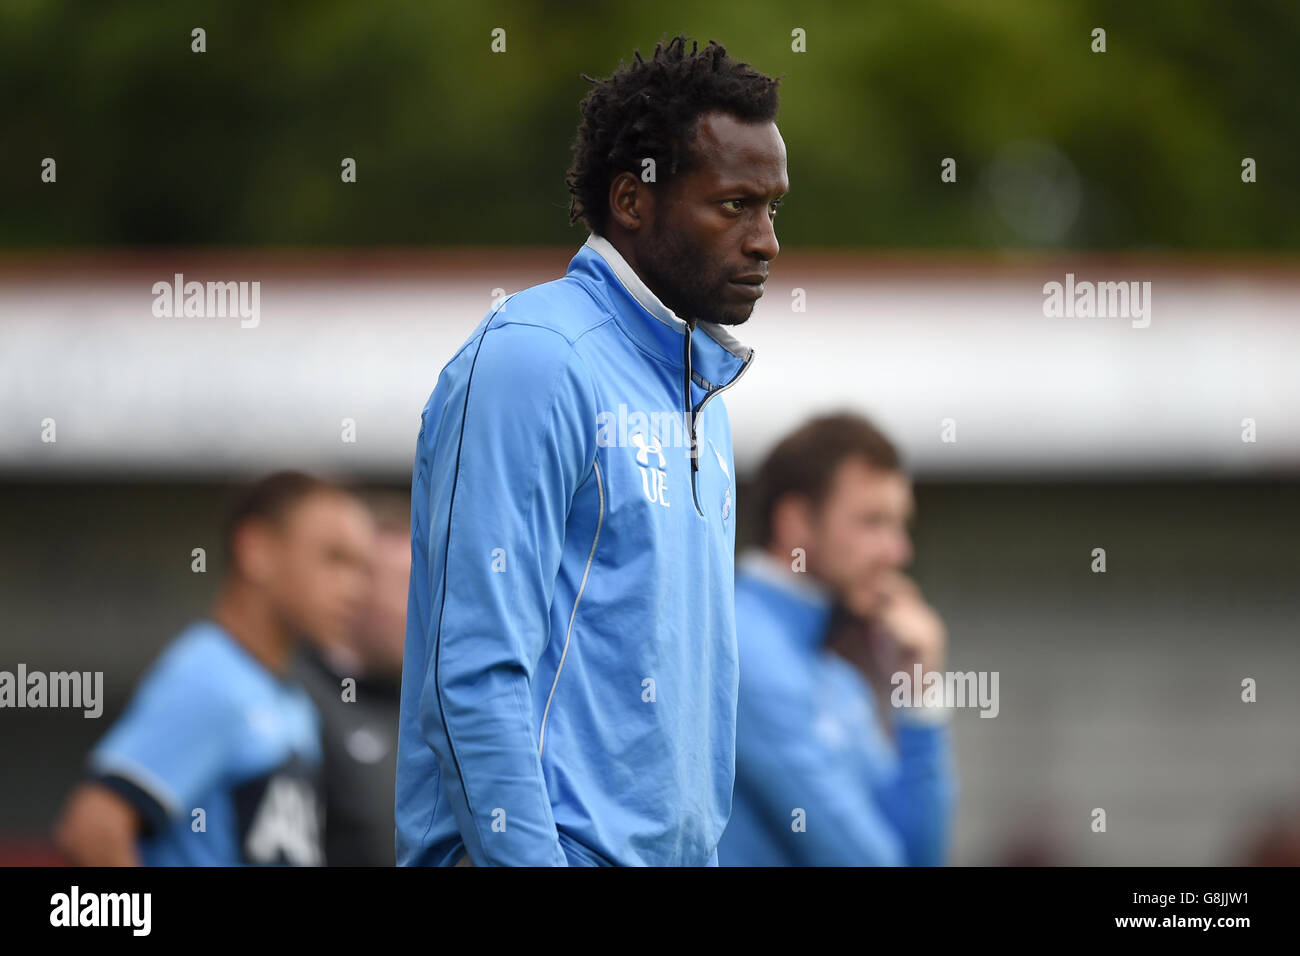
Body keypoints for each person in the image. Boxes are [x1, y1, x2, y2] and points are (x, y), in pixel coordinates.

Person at [395, 34, 787, 866]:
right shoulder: (534, 358)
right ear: (633, 201)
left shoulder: (700, 390)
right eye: (733, 205)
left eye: (772, 208)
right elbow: (471, 678)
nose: (765, 242)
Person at [53, 471, 374, 866]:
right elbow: (93, 827)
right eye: (334, 558)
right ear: (255, 551)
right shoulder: (211, 677)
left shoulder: (289, 696)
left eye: (361, 568)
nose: (355, 588)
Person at [717, 413, 958, 865]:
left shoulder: (834, 673)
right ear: (796, 524)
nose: (899, 551)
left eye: (899, 524)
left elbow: (922, 854)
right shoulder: (739, 645)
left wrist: (920, 692)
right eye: (873, 522)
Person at [293, 492, 408, 866]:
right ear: (357, 587)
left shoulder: (428, 707)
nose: (428, 607)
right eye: (409, 584)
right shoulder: (293, 695)